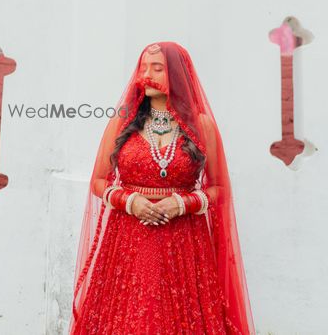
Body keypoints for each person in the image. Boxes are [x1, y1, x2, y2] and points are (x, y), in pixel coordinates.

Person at [68, 41, 255, 334]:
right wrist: (130, 201)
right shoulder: (124, 122)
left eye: (157, 68)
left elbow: (219, 187)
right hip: (128, 238)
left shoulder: (201, 125)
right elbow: (98, 182)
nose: (146, 75)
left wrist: (182, 203)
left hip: (183, 242)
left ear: (177, 75)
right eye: (143, 67)